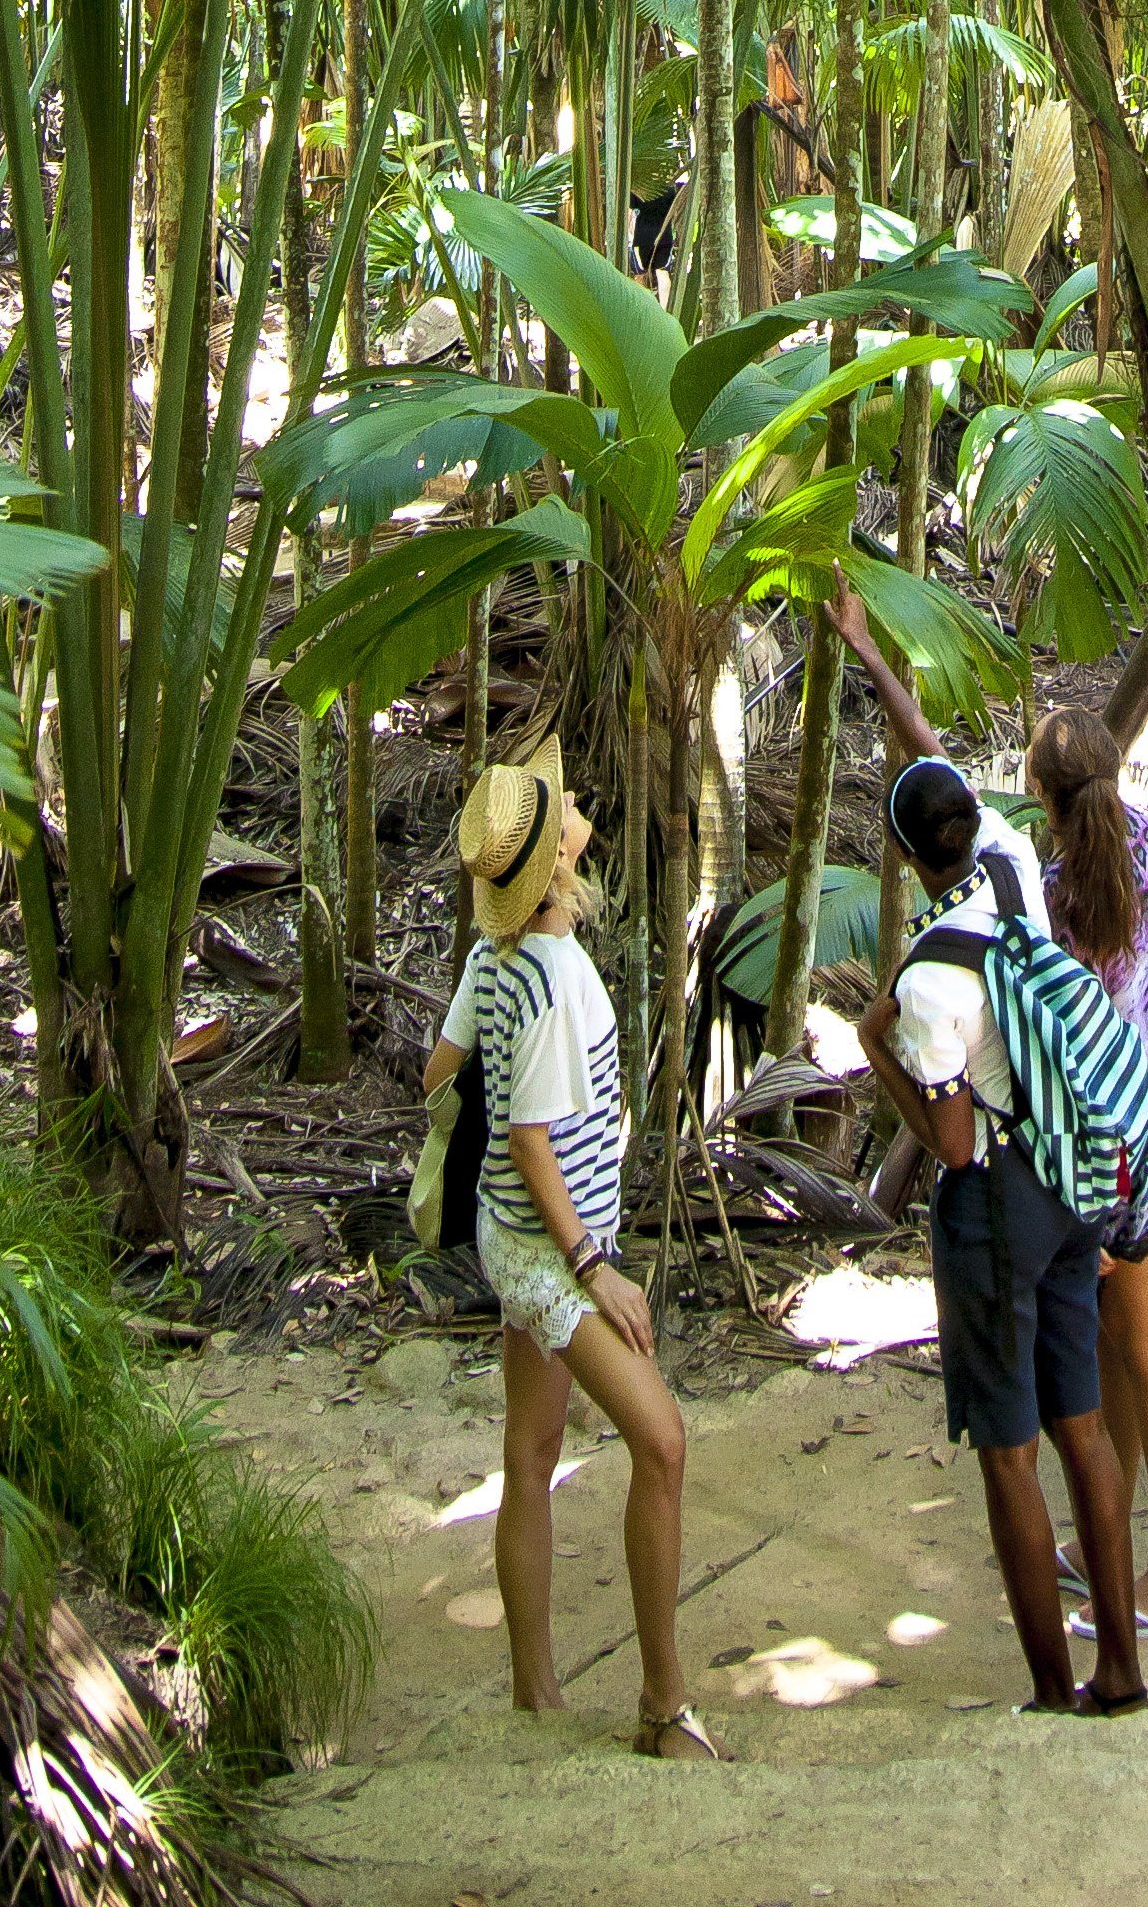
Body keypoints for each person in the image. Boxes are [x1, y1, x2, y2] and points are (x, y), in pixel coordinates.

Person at [421, 743, 722, 1761]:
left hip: (507, 1236)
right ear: (553, 864)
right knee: (663, 1442)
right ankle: (664, 1706)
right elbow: (529, 1139)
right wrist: (594, 1261)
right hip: (550, 1256)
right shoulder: (551, 980)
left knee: (530, 1455)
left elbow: (441, 1068)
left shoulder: (491, 960)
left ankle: (535, 1694)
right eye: (564, 816)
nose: (579, 811)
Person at [852, 755, 1147, 1715]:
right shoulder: (1014, 865)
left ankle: (1051, 1695)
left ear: (903, 855)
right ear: (974, 820)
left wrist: (873, 1049)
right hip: (1069, 1178)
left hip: (996, 1208)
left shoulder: (932, 979)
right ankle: (1122, 1670)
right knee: (1084, 1428)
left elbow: (949, 1139)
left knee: (1009, 1453)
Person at [1024, 707, 1148, 1644]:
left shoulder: (1059, 891)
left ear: (1044, 800)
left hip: (1117, 1147)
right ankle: (1112, 1533)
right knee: (1120, 1338)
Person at [824, 587, 1048, 932]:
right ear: (969, 810)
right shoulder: (1013, 854)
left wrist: (866, 647)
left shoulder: (930, 961)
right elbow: (930, 752)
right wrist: (866, 648)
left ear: (901, 852)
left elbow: (932, 755)